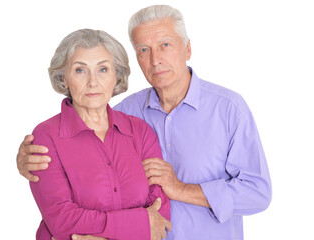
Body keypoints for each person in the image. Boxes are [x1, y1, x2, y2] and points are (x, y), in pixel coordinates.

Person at [17, 5, 272, 240]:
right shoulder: (126, 114)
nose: (155, 59)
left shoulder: (228, 109)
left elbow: (258, 193)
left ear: (188, 49)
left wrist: (181, 189)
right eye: (143, 49)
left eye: (165, 44)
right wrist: (26, 159)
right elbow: (79, 136)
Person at [25, 28, 171, 240]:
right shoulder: (45, 137)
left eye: (103, 69)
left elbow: (159, 216)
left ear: (116, 76)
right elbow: (61, 221)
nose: (93, 82)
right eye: (80, 70)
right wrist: (138, 224)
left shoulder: (140, 131)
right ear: (63, 78)